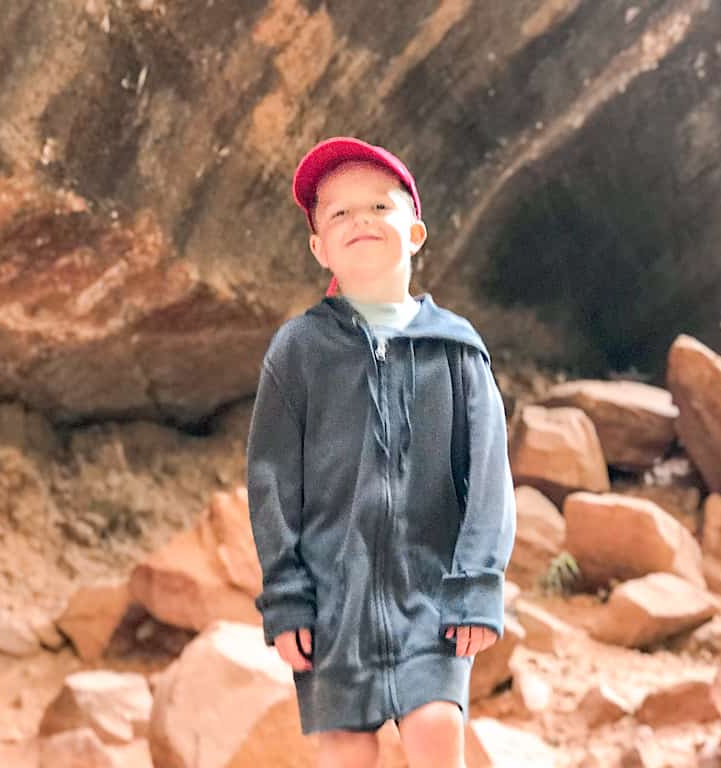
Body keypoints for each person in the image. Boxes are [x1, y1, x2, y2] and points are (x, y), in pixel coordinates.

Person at [246, 137, 515, 768]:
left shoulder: (457, 350)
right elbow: (271, 478)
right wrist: (287, 597)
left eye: (379, 207)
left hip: (433, 592)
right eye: (338, 213)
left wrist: (476, 585)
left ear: (415, 233)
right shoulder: (299, 351)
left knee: (435, 730)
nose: (360, 219)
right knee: (344, 751)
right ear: (318, 247)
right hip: (332, 595)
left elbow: (488, 476)